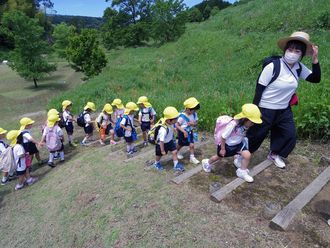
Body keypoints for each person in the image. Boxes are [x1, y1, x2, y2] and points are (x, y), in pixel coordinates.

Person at [246, 31, 321, 169]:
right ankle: (241, 154)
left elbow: (316, 79)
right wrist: (254, 111)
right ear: (285, 50)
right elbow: (259, 89)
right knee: (256, 135)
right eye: (290, 49)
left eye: (297, 50)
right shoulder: (273, 66)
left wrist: (314, 59)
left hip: (284, 109)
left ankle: (275, 154)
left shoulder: (299, 68)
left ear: (301, 54)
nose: (292, 53)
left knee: (289, 135)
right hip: (266, 107)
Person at [202, 104, 262, 182]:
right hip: (227, 145)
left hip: (238, 144)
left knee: (247, 155)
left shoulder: (244, 124)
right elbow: (223, 137)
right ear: (244, 118)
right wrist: (223, 149)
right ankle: (207, 162)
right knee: (219, 157)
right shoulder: (232, 125)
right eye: (252, 122)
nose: (253, 124)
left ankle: (242, 172)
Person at [154, 107, 185, 171]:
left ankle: (176, 164)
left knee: (175, 151)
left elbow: (171, 127)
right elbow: (161, 141)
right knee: (159, 155)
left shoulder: (171, 123)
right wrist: (162, 150)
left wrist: (174, 129)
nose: (176, 120)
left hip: (169, 141)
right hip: (162, 144)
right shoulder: (163, 130)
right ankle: (156, 163)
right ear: (168, 120)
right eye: (175, 119)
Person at [175, 97, 200, 164]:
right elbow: (177, 125)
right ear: (188, 109)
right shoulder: (182, 117)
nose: (194, 112)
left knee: (192, 145)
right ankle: (176, 151)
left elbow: (196, 122)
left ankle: (192, 157)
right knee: (181, 144)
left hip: (190, 132)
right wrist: (184, 131)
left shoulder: (194, 114)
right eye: (194, 110)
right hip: (183, 133)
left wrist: (193, 124)